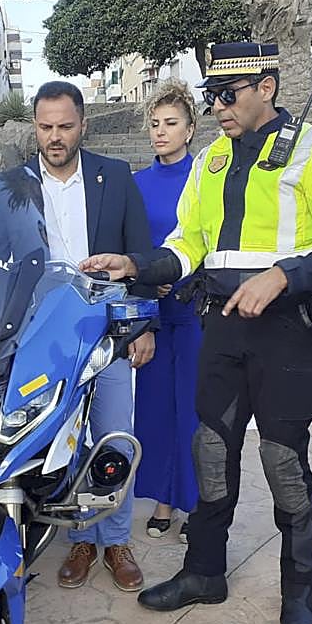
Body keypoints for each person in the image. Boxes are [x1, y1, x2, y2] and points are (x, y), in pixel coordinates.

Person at [83, 42, 312, 624]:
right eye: (210, 95)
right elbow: (188, 245)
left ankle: (301, 586)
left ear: (266, 87)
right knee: (211, 453)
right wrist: (136, 264)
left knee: (283, 462)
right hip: (220, 329)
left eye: (228, 94)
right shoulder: (212, 159)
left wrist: (284, 275)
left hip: (287, 334)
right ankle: (204, 573)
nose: (217, 105)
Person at [0, 80, 155, 593]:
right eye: (45, 126)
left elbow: (139, 254)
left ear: (83, 124)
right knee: (61, 441)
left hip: (107, 330)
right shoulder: (10, 185)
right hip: (38, 340)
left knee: (114, 436)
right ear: (35, 125)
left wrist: (145, 327)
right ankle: (80, 538)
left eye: (64, 126)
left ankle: (116, 540)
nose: (54, 137)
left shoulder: (116, 177)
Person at [132, 79, 202, 544]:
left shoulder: (208, 178)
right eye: (155, 124)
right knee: (155, 410)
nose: (161, 132)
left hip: (198, 310)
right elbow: (132, 248)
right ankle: (161, 500)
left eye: (171, 123)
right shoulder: (134, 183)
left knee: (196, 411)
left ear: (190, 128)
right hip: (152, 315)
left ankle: (197, 504)